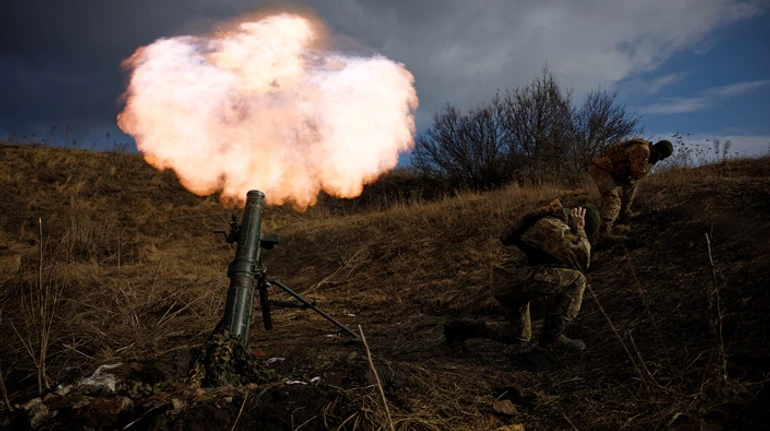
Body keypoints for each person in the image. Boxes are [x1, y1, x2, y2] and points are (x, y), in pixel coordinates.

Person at [444, 199, 600, 351]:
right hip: (513, 279)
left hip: (507, 279)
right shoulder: (553, 226)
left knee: (518, 335)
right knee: (577, 280)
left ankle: (459, 328)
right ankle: (552, 338)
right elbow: (582, 259)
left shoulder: (552, 221)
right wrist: (580, 229)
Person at [589, 138, 673, 241]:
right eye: (662, 157)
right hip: (600, 169)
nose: (660, 160)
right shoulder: (643, 150)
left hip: (612, 170)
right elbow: (637, 173)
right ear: (659, 152)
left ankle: (624, 214)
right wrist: (651, 164)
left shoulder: (644, 149)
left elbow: (633, 176)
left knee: (631, 182)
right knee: (613, 201)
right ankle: (604, 231)